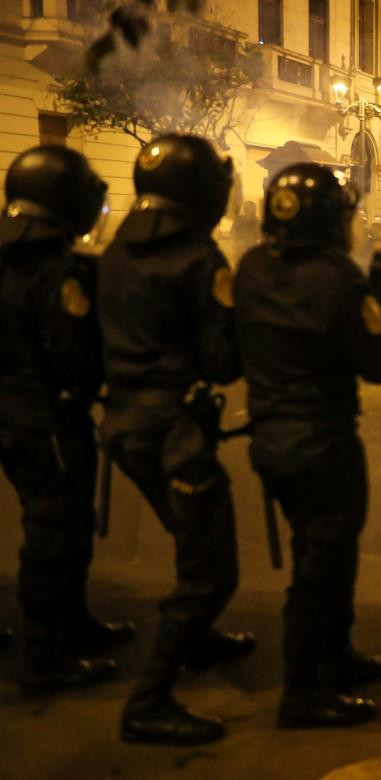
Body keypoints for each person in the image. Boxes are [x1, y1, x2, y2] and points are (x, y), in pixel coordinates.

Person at [233, 163, 381, 730]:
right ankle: (304, 693)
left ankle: (336, 660)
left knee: (326, 557)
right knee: (320, 568)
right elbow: (378, 360)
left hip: (273, 438)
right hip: (322, 442)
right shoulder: (338, 278)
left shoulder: (252, 268)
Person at [98, 134, 254, 745]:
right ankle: (149, 700)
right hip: (173, 436)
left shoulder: (113, 252)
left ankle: (200, 640)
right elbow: (220, 363)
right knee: (210, 571)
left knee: (192, 543)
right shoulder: (198, 258)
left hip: (125, 425)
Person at [0, 145, 133, 694]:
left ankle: (72, 625)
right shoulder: (57, 270)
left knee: (64, 526)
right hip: (46, 417)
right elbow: (70, 351)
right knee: (56, 531)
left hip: (18, 410)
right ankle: (43, 653)